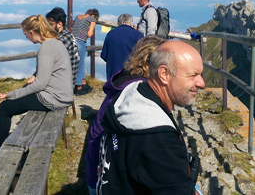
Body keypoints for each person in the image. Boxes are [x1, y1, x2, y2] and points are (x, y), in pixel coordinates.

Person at [0, 15, 73, 163]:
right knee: (7, 107)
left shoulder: (46, 48)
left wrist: (13, 94)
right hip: (60, 94)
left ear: (31, 32)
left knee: (5, 108)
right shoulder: (55, 42)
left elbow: (40, 84)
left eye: (25, 34)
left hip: (53, 98)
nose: (26, 38)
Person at [97, 40, 205, 194]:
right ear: (164, 74)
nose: (202, 83)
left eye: (200, 74)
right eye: (193, 75)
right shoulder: (159, 140)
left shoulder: (132, 94)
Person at [85, 36, 164, 194]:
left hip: (95, 170)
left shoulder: (124, 79)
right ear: (150, 64)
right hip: (105, 180)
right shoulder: (137, 94)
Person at [100, 13, 143, 81]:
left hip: (113, 76)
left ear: (119, 22)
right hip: (131, 75)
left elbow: (104, 55)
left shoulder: (111, 34)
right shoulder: (138, 35)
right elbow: (142, 56)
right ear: (131, 22)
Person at [46, 7, 80, 86]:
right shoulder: (68, 35)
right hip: (70, 81)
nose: (48, 28)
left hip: (61, 84)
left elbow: (50, 63)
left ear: (59, 24)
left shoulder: (61, 40)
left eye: (51, 24)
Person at [72, 8, 99, 95]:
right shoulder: (92, 19)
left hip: (71, 41)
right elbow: (89, 34)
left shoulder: (78, 17)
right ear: (94, 15)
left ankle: (77, 83)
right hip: (80, 42)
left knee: (73, 63)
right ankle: (79, 87)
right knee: (80, 65)